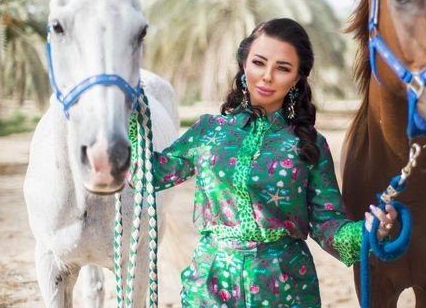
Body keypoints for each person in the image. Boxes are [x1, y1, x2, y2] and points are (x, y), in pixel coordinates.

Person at [130, 18, 396, 307]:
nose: (267, 76)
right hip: (211, 286)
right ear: (244, 65)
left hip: (285, 287)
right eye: (259, 62)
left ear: (297, 78)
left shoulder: (308, 145)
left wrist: (369, 233)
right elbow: (149, 176)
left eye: (283, 68)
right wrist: (128, 119)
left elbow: (327, 226)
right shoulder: (209, 131)